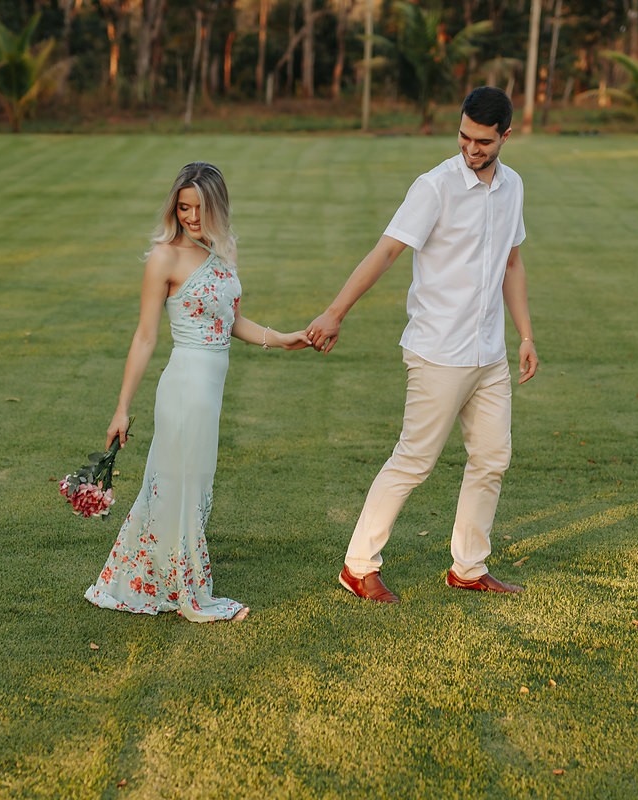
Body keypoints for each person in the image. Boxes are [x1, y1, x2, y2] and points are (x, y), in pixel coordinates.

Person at [305, 87, 539, 604]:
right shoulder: (434, 187)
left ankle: (469, 567)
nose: (470, 148)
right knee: (414, 461)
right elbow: (386, 252)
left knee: (493, 459)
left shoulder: (513, 187)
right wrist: (335, 312)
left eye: (482, 140)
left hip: (489, 354)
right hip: (438, 352)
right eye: (463, 136)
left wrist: (524, 334)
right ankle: (357, 566)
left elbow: (512, 263)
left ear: (505, 135)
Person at [85, 162, 309, 623]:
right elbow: (145, 337)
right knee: (178, 488)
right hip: (184, 388)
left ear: (218, 208)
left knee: (190, 488)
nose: (190, 216)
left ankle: (147, 581)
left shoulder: (224, 252)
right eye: (183, 207)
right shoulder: (164, 258)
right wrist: (121, 409)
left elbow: (231, 322)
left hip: (210, 392)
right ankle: (189, 594)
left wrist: (282, 338)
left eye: (199, 208)